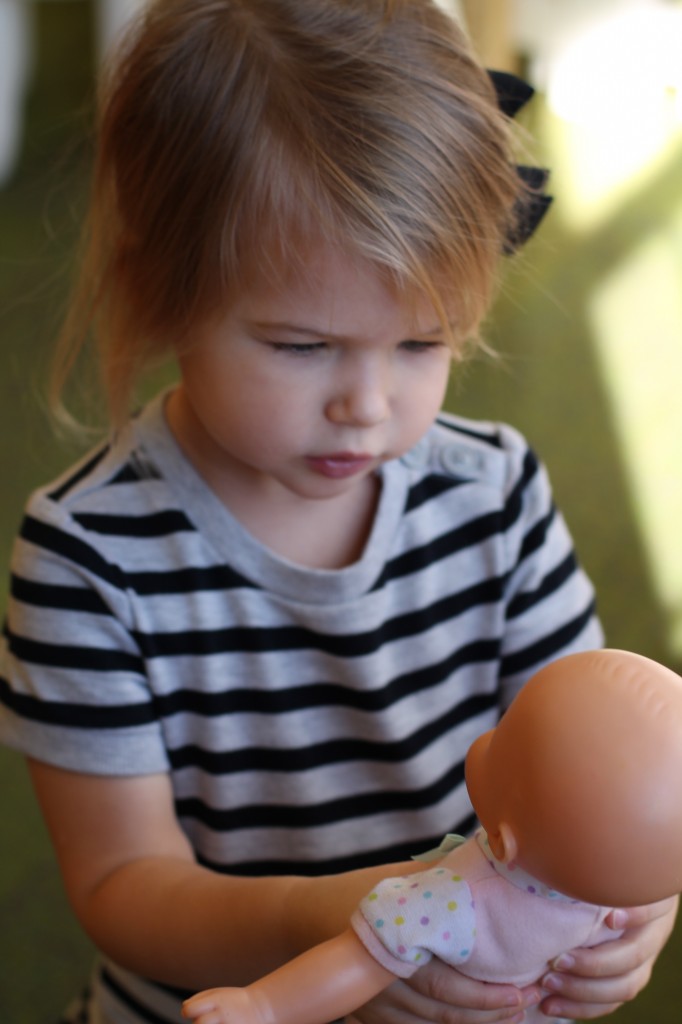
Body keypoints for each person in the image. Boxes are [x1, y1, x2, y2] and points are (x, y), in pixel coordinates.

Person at [0, 3, 676, 1024]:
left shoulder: (494, 496)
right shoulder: (88, 557)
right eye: (301, 345)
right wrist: (336, 927)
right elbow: (120, 885)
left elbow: (603, 768)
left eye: (421, 343)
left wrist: (637, 907)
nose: (366, 403)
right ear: (157, 287)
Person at [182, 648, 682, 1024]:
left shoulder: (454, 900)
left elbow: (356, 962)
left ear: (503, 844)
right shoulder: (614, 897)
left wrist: (264, 1006)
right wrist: (655, 904)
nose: (486, 739)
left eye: (502, 744)